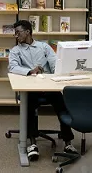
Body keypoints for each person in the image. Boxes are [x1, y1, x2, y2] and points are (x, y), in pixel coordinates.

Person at [8, 20, 77, 161]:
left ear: (27, 32)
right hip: (30, 89)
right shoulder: (16, 51)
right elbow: (13, 67)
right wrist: (30, 71)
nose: (16, 36)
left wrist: (49, 72)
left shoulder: (44, 47)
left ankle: (68, 142)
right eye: (15, 33)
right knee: (30, 105)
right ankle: (32, 144)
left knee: (62, 105)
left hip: (48, 87)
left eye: (18, 32)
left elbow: (55, 64)